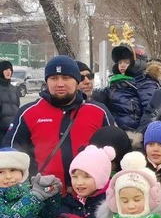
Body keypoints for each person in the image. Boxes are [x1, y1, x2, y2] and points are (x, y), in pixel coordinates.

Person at [7, 55, 114, 188]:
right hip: (43, 197)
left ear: (77, 81)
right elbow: (10, 155)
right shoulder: (28, 112)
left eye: (66, 78)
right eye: (54, 78)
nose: (60, 84)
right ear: (47, 81)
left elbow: (115, 153)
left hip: (88, 198)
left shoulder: (98, 111)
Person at [97, 45, 161, 133]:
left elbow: (151, 112)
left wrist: (140, 135)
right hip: (117, 133)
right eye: (120, 63)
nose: (122, 65)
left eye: (126, 62)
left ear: (138, 62)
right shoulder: (115, 83)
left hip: (136, 136)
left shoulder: (146, 83)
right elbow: (100, 98)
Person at [0, 61, 20, 133]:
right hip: (2, 130)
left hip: (13, 128)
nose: (8, 72)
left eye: (10, 70)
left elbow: (17, 107)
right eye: (6, 70)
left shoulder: (14, 89)